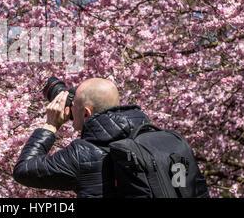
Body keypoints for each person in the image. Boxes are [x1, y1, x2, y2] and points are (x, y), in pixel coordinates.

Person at [13, 77, 151, 197]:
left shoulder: (83, 154)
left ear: (86, 113)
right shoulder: (150, 137)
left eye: (73, 105)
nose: (71, 109)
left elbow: (24, 170)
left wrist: (50, 125)